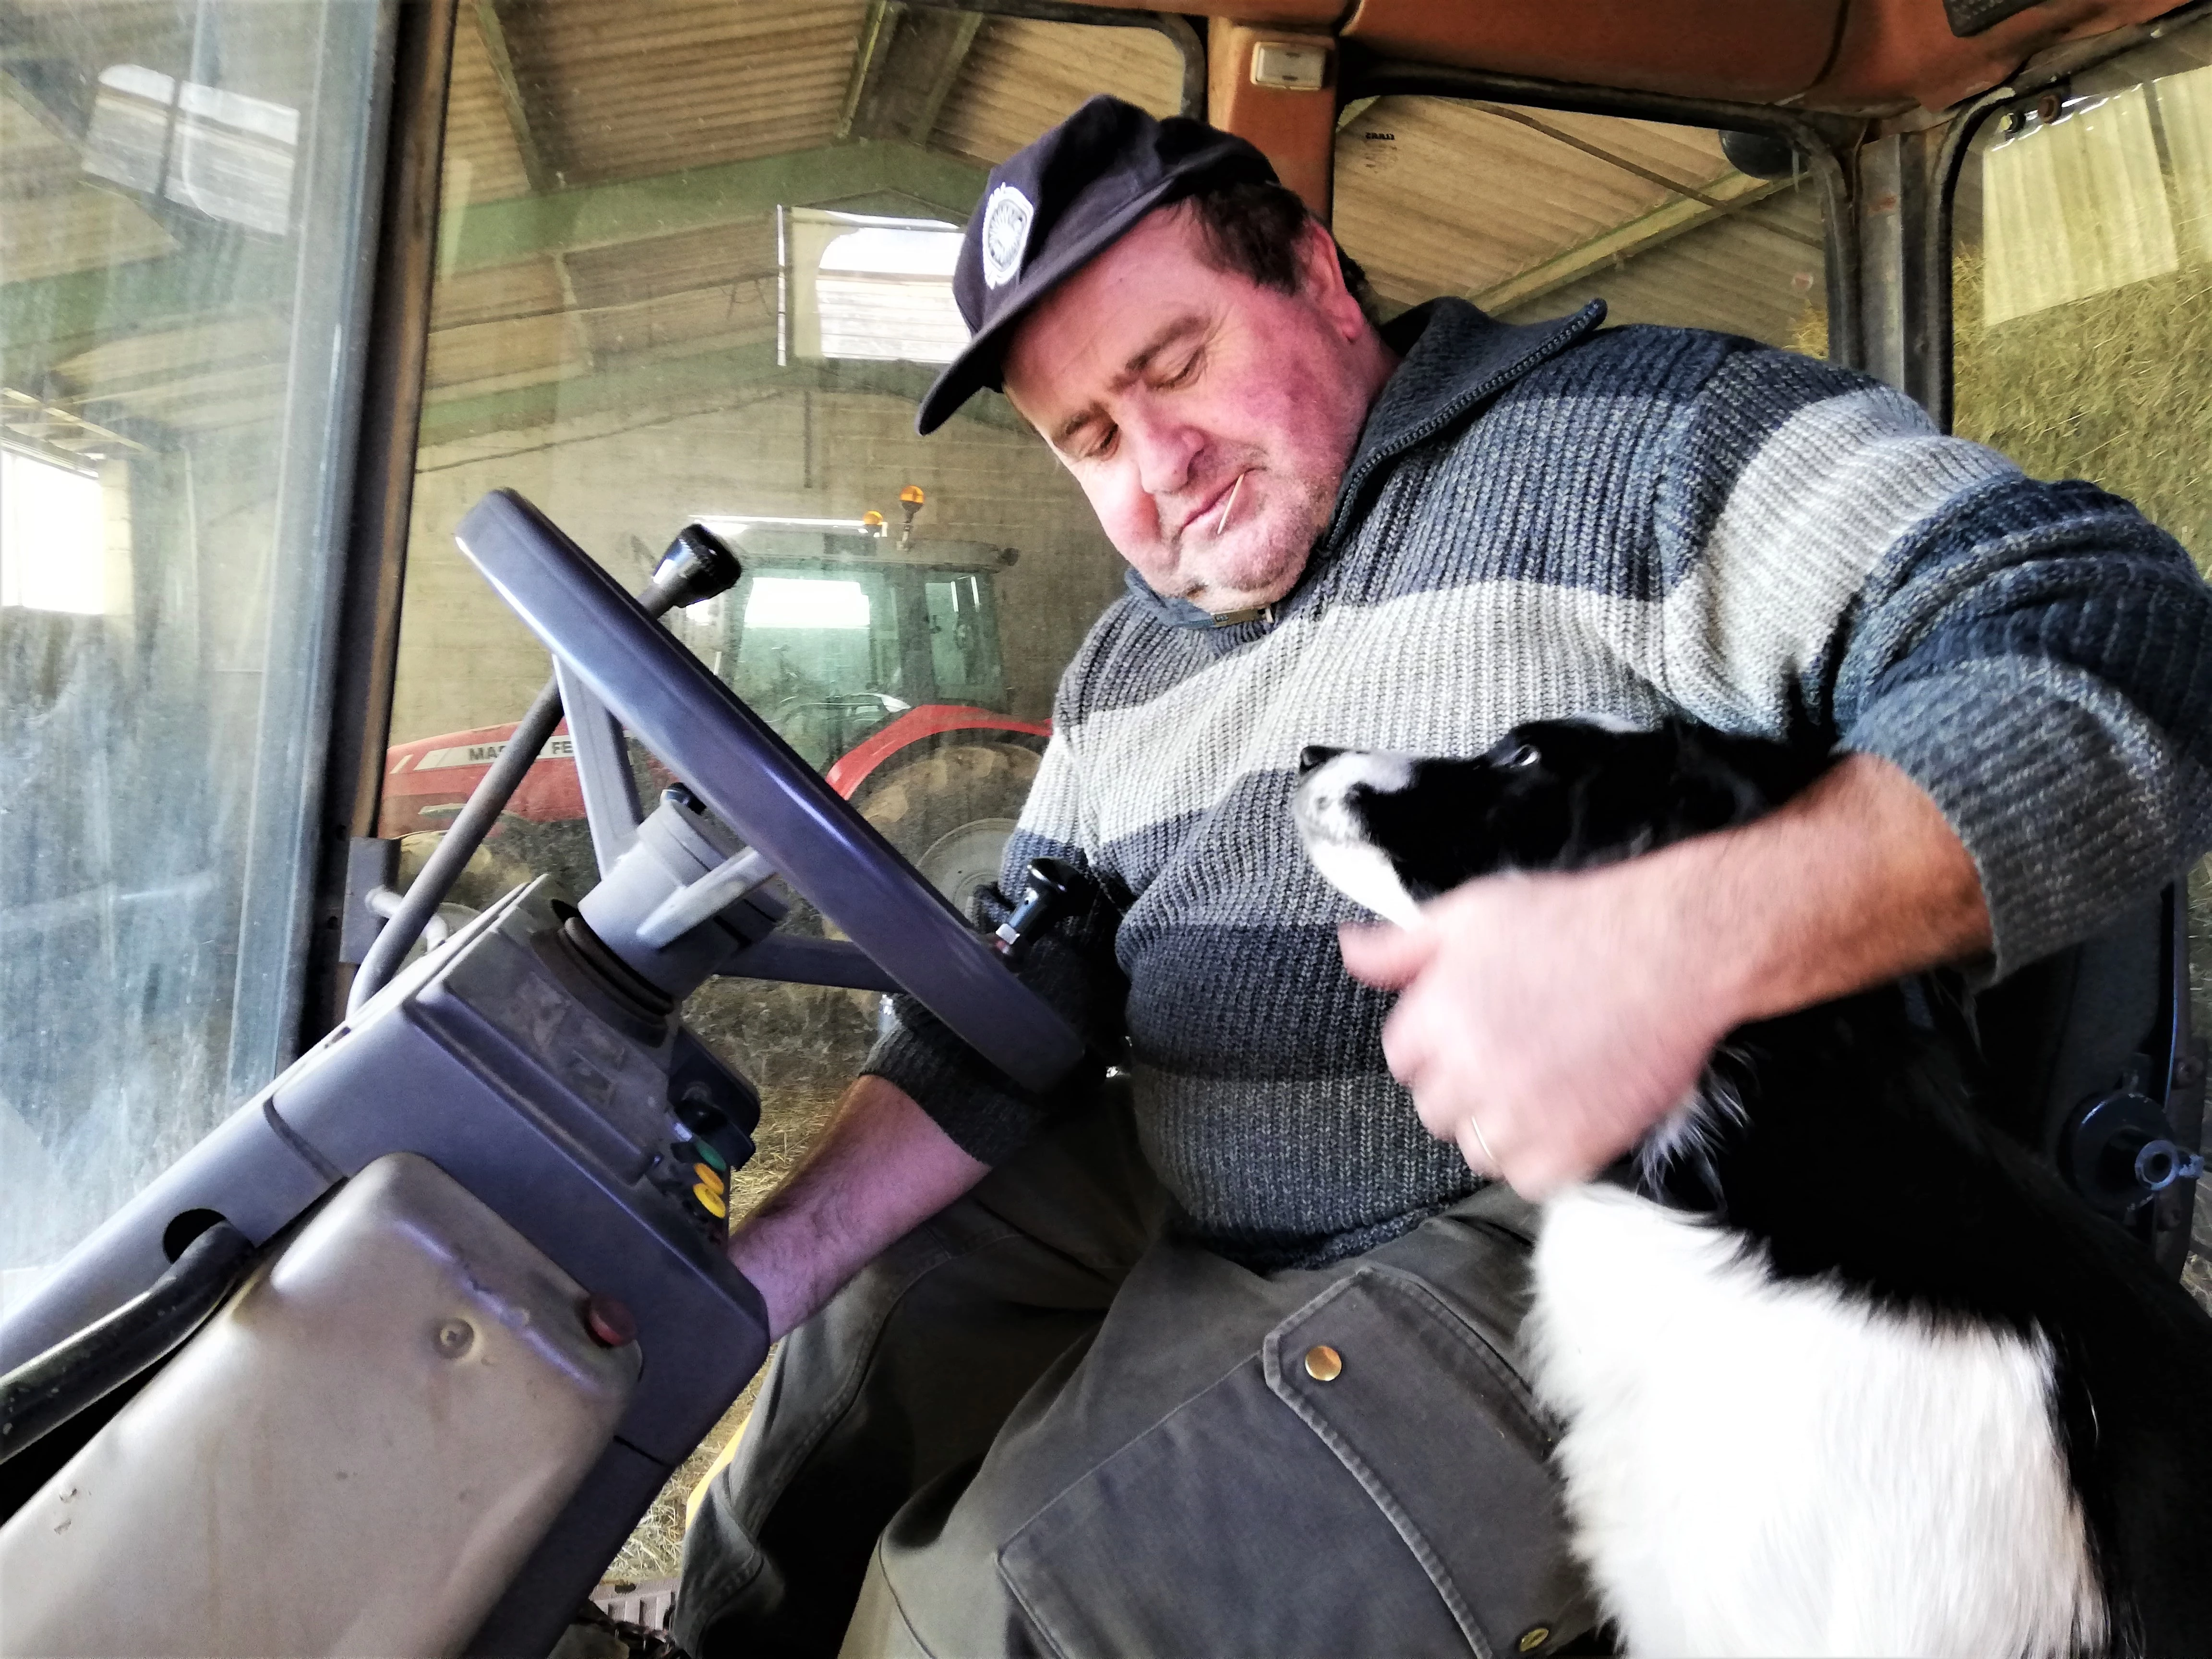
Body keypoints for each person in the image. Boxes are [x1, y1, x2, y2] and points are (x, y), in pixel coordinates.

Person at [676, 96, 2212, 1657]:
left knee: (992, 1608)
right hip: (1197, 1181)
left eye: (1177, 364)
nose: (1160, 465)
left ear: (1321, 281)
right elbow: (1017, 999)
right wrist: (755, 1280)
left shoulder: (1647, 444)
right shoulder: (1122, 664)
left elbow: (2094, 619)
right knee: (823, 1399)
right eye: (1090, 438)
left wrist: (1682, 943)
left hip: (1571, 1216)